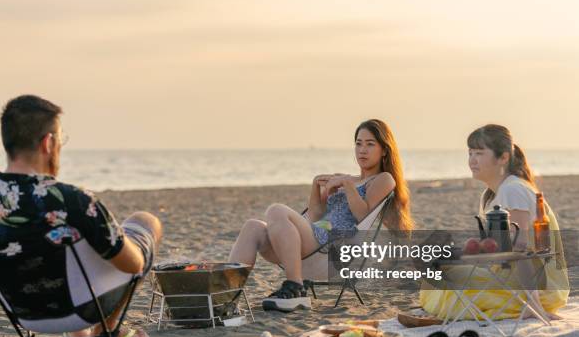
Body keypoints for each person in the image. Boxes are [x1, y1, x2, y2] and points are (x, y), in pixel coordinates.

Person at [0, 95, 163, 337]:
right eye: (61, 139)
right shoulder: (73, 200)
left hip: (25, 318)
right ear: (48, 143)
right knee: (145, 222)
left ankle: (83, 333)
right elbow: (132, 265)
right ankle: (107, 330)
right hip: (83, 311)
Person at [229, 119, 413, 312]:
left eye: (370, 144)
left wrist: (347, 185)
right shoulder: (345, 178)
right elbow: (316, 216)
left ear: (384, 149)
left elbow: (362, 215)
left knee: (276, 210)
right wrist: (316, 186)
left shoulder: (383, 179)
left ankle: (295, 287)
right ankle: (225, 298)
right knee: (253, 227)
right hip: (312, 240)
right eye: (358, 143)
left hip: (330, 250)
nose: (362, 150)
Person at [420, 124, 569, 321]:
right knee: (439, 273)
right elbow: (501, 248)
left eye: (480, 153)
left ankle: (526, 303)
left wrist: (533, 305)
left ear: (504, 157)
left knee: (446, 284)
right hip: (511, 274)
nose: (472, 160)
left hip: (537, 286)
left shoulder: (513, 190)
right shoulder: (490, 195)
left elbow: (522, 251)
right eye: (470, 152)